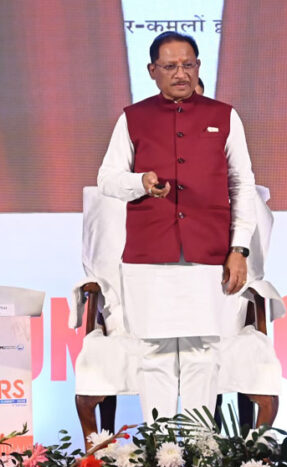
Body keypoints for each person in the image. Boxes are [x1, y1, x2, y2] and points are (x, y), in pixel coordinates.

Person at [97, 31, 258, 422]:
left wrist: (239, 248)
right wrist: (140, 182)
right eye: (170, 67)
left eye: (188, 65)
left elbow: (242, 184)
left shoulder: (225, 116)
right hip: (149, 254)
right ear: (152, 70)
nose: (181, 74)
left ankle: (202, 446)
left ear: (199, 66)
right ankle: (162, 446)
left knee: (204, 352)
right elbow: (107, 179)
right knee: (154, 353)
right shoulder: (133, 117)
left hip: (209, 252)